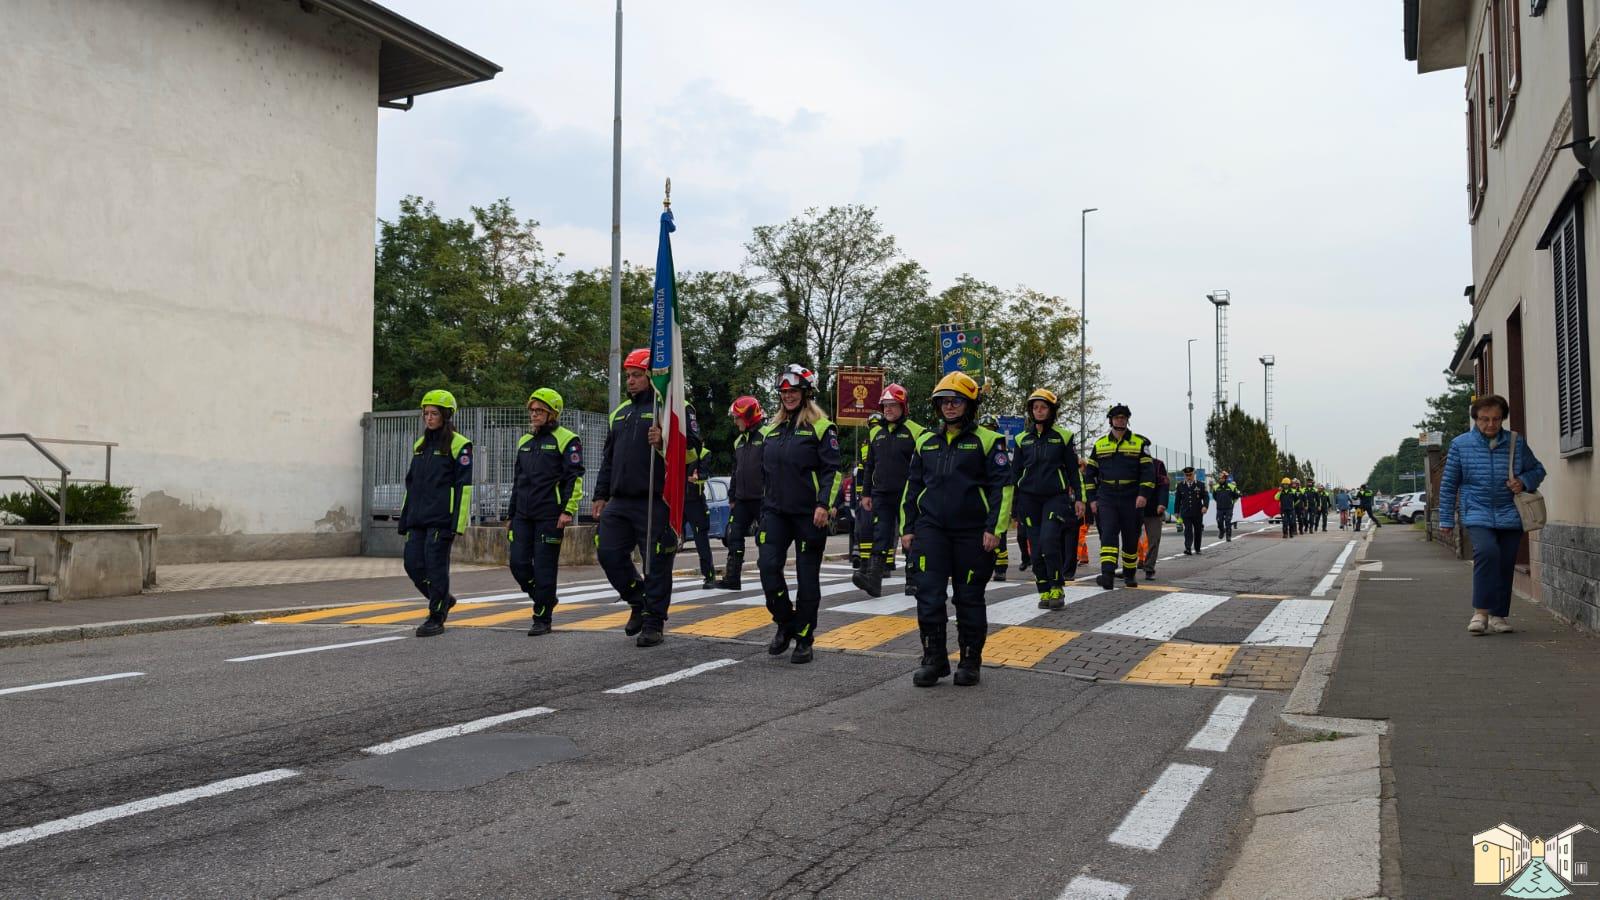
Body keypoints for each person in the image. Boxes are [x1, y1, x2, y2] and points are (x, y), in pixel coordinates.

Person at [900, 371, 1012, 686]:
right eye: (944, 402)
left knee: (969, 598)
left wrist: (995, 528)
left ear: (969, 404)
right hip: (931, 530)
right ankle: (934, 660)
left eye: (957, 401)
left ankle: (970, 661)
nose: (950, 407)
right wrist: (907, 527)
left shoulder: (990, 441)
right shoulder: (925, 440)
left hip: (973, 533)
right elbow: (913, 487)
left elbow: (1002, 488)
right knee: (929, 596)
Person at [593, 348, 693, 648]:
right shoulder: (620, 412)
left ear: (652, 377)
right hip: (620, 500)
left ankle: (653, 622)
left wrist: (665, 440)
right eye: (629, 376)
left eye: (637, 375)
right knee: (608, 553)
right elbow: (608, 458)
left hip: (656, 499)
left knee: (656, 563)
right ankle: (638, 600)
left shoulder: (673, 407)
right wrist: (600, 495)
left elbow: (692, 454)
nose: (631, 381)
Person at [1439, 395, 1546, 635]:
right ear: (1475, 419)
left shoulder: (1516, 443)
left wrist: (1523, 481)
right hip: (1477, 511)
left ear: (1503, 419)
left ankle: (1499, 616)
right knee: (1487, 552)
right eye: (1484, 419)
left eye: (1496, 419)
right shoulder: (1460, 445)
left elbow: (1538, 470)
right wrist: (1446, 519)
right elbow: (1448, 485)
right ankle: (1480, 613)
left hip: (1511, 513)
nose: (1490, 424)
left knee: (1506, 563)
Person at [757, 364, 843, 664]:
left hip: (810, 514)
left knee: (807, 579)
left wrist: (824, 505)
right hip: (775, 513)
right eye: (784, 392)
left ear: (806, 394)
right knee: (767, 568)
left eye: (793, 391)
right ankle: (785, 622)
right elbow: (763, 474)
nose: (788, 397)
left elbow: (832, 471)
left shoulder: (822, 427)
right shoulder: (771, 429)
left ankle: (804, 637)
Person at [507, 388, 583, 636]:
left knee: (544, 567)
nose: (534, 414)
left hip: (550, 514)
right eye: (532, 410)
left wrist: (567, 511)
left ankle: (542, 618)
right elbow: (518, 481)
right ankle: (545, 597)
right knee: (518, 563)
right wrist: (511, 514)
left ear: (552, 413)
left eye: (540, 410)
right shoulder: (524, 441)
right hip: (522, 515)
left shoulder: (567, 439)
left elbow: (575, 478)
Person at [398, 389, 473, 638]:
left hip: (441, 519)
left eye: (434, 414)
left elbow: (465, 487)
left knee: (435, 567)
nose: (429, 418)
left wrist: (458, 523)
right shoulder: (420, 446)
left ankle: (436, 616)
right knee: (412, 564)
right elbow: (411, 485)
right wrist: (404, 518)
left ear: (446, 416)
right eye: (426, 414)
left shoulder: (460, 445)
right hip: (417, 518)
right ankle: (443, 598)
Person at [1010, 388, 1084, 610]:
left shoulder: (1064, 437)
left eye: (1043, 407)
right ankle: (1043, 589)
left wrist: (1080, 498)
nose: (1039, 411)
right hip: (1028, 500)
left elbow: (1073, 471)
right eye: (1035, 407)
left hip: (1055, 498)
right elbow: (1014, 474)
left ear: (1051, 410)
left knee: (1050, 542)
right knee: (1036, 547)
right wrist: (1013, 506)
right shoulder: (1021, 439)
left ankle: (1057, 587)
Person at [853, 384, 925, 597]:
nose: (888, 410)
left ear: (903, 407)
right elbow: (869, 465)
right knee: (880, 535)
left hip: (907, 494)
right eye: (885, 406)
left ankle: (912, 581)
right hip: (881, 493)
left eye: (893, 405)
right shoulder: (877, 433)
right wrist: (866, 493)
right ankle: (873, 580)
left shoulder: (917, 431)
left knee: (909, 535)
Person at [1084, 404, 1156, 589]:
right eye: (1117, 418)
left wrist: (1143, 494)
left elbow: (1148, 472)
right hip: (1107, 496)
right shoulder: (1100, 444)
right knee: (1108, 535)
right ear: (1111, 420)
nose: (1120, 420)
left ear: (1128, 420)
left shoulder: (1140, 443)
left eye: (1123, 418)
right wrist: (1092, 499)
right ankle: (1107, 574)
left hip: (1131, 496)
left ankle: (1130, 573)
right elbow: (1089, 473)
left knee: (1131, 537)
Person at [715, 396, 765, 589]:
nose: (735, 422)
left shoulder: (768, 436)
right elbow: (735, 471)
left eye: (738, 417)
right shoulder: (738, 442)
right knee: (733, 536)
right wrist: (732, 497)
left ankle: (770, 576)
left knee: (765, 538)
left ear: (750, 416)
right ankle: (732, 578)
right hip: (742, 500)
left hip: (763, 499)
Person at [682, 405, 717, 589]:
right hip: (677, 502)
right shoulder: (675, 451)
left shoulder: (704, 454)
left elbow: (705, 474)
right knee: (667, 541)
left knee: (701, 541)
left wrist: (697, 477)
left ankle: (709, 576)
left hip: (695, 501)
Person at [979, 413, 1012, 582]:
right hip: (980, 497)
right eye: (984, 429)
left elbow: (1005, 482)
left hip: (995, 496)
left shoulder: (999, 450)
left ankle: (1001, 568)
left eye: (990, 429)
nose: (987, 432)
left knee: (1000, 534)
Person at [852, 411, 884, 570]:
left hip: (867, 495)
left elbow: (865, 467)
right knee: (882, 529)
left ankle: (864, 561)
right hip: (876, 493)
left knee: (864, 528)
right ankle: (880, 564)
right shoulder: (882, 438)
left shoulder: (868, 441)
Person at [1139, 457, 1170, 578]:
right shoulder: (1129, 462)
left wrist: (1162, 503)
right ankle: (1129, 567)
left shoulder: (1157, 465)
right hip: (1133, 508)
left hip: (1153, 509)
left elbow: (1164, 485)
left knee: (1154, 539)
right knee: (1129, 539)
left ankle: (1149, 568)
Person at [1175, 466, 1210, 554]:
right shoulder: (1180, 486)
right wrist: (1176, 511)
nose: (1188, 477)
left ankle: (1197, 548)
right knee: (1188, 530)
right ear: (1184, 475)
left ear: (1194, 474)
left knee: (1198, 530)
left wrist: (1205, 506)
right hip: (1186, 512)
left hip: (1197, 512)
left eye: (1190, 475)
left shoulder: (1200, 485)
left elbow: (1206, 497)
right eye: (1186, 475)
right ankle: (1188, 548)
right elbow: (1177, 500)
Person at [1213, 471, 1240, 541]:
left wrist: (1231, 502)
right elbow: (1214, 496)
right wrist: (1219, 501)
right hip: (1219, 508)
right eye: (1219, 478)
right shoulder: (1216, 487)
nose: (1220, 480)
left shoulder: (1231, 487)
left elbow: (1236, 496)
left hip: (1228, 508)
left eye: (1222, 478)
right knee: (1219, 521)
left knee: (1228, 522)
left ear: (1225, 479)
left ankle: (1228, 536)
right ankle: (1222, 531)